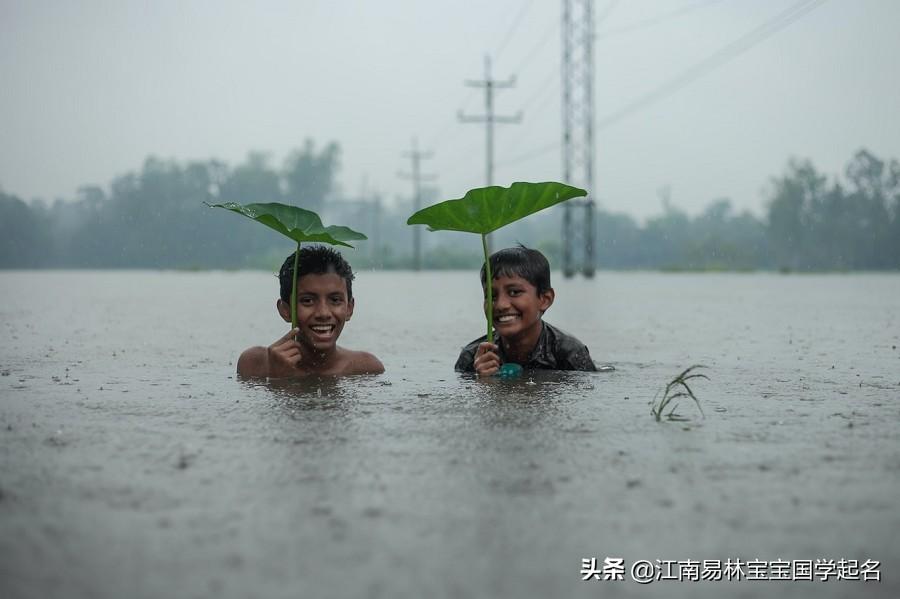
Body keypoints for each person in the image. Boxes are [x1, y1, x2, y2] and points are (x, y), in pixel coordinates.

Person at [237, 246, 384, 377]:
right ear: (285, 310)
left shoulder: (365, 369)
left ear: (349, 308)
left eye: (335, 300)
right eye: (307, 301)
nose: (323, 313)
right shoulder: (254, 364)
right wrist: (277, 378)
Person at [455, 246, 596, 376]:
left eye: (514, 292)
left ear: (545, 299)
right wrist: (483, 382)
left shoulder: (569, 353)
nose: (500, 305)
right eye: (491, 296)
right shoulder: (471, 357)